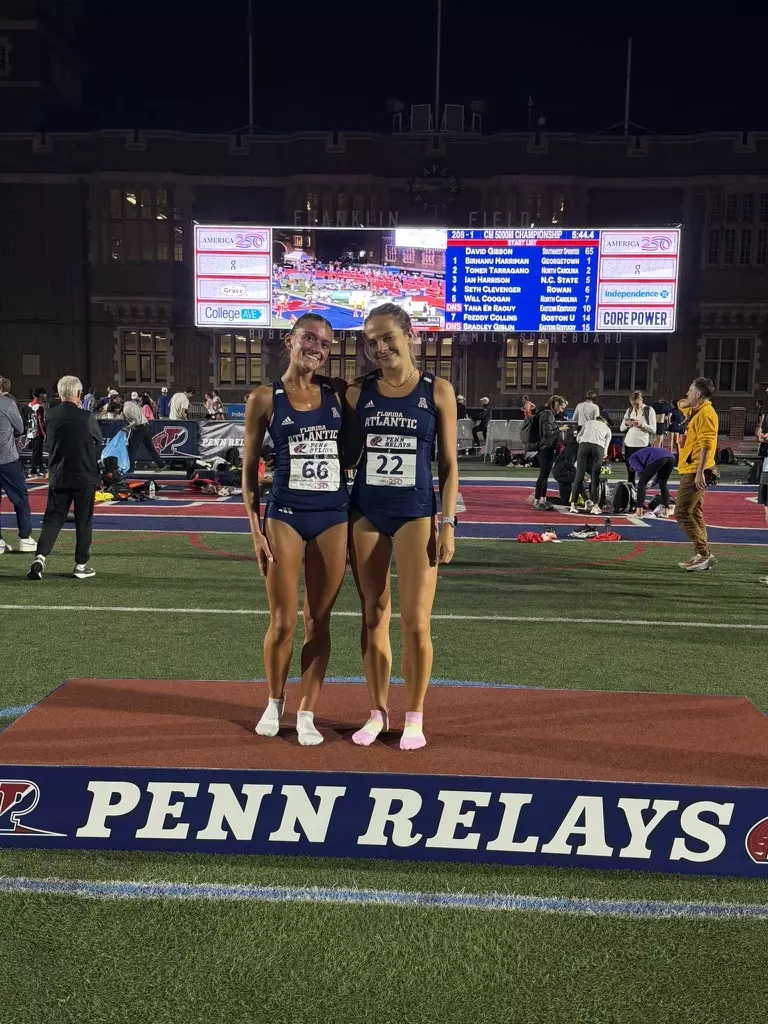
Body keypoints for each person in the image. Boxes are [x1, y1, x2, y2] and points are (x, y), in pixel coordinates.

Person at [344, 302, 458, 750]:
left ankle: (414, 715)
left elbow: (449, 466)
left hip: (415, 512)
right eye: (371, 341)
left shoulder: (438, 391)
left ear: (411, 335)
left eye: (387, 337)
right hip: (367, 512)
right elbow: (345, 452)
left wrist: (447, 523)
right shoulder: (358, 393)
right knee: (373, 615)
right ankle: (376, 711)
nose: (380, 347)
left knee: (415, 621)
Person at [242, 313, 349, 746]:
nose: (317, 348)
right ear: (290, 340)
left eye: (325, 344)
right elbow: (249, 468)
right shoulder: (265, 398)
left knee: (318, 620)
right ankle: (274, 699)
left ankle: (308, 710)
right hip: (284, 513)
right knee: (283, 621)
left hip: (333, 515)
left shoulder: (338, 394)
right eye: (309, 338)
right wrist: (254, 527)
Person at [26, 375, 102, 581]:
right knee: (83, 521)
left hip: (59, 474)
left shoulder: (50, 415)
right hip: (84, 475)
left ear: (60, 394)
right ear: (78, 394)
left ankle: (40, 558)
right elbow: (98, 440)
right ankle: (81, 564)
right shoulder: (86, 416)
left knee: (53, 519)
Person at [674, 377, 718, 572]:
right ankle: (702, 554)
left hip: (695, 470)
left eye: (690, 390)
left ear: (698, 394)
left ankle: (705, 553)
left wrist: (700, 472)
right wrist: (688, 401)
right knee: (695, 512)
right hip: (692, 468)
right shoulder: (697, 410)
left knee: (682, 512)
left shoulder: (705, 413)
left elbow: (706, 445)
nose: (687, 393)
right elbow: (680, 403)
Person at [0, 376, 36, 554]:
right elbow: (20, 428)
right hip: (6, 459)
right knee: (21, 498)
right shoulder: (7, 404)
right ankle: (24, 538)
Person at [568, 414, 612, 514]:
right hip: (598, 448)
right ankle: (595, 506)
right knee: (595, 476)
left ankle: (573, 505)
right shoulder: (607, 429)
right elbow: (606, 450)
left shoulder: (588, 423)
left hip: (584, 446)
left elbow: (578, 438)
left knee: (579, 476)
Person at [533, 395, 568, 511]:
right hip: (545, 447)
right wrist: (559, 429)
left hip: (546, 447)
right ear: (557, 405)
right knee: (543, 475)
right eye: (562, 408)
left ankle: (542, 499)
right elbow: (547, 433)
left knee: (545, 475)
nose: (562, 410)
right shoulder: (547, 414)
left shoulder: (546, 413)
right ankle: (538, 500)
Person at [627, 446, 676, 517]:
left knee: (641, 483)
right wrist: (653, 483)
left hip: (659, 457)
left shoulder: (631, 459)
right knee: (663, 484)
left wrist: (645, 482)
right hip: (671, 457)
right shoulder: (641, 456)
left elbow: (641, 472)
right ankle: (666, 512)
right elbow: (659, 473)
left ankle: (639, 512)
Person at [620, 391, 657, 485]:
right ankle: (631, 494)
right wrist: (627, 423)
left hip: (642, 444)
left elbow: (654, 429)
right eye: (632, 404)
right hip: (629, 444)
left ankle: (641, 492)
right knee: (630, 473)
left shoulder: (649, 410)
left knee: (643, 472)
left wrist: (641, 425)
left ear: (641, 400)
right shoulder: (629, 410)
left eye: (636, 404)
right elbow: (621, 428)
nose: (635, 406)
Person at [122, 399, 163, 472]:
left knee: (131, 447)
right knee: (150, 447)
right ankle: (161, 465)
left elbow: (136, 421)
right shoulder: (129, 403)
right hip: (145, 425)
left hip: (140, 427)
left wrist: (127, 427)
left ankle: (130, 469)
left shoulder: (126, 410)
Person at [28, 387, 47, 477]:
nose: (45, 395)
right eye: (44, 393)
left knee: (37, 450)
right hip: (38, 431)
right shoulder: (39, 406)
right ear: (40, 394)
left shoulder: (30, 404)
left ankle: (40, 466)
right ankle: (33, 469)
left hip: (31, 431)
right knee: (37, 451)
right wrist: (44, 432)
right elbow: (40, 420)